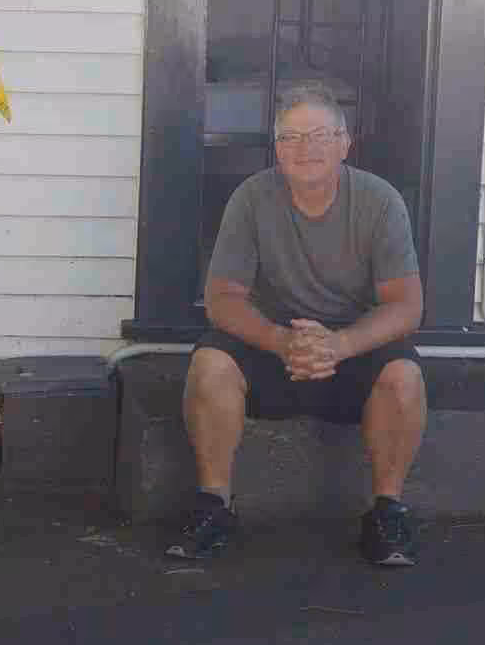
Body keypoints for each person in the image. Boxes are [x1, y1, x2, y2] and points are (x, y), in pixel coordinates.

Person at [170, 82, 426, 568]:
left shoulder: (380, 201)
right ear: (277, 148)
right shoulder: (251, 198)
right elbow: (221, 300)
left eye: (319, 135)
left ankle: (388, 512)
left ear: (344, 143)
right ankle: (213, 506)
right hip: (272, 342)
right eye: (290, 137)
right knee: (210, 364)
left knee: (403, 376)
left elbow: (406, 305)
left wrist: (341, 344)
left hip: (352, 346)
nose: (305, 148)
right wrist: (281, 340)